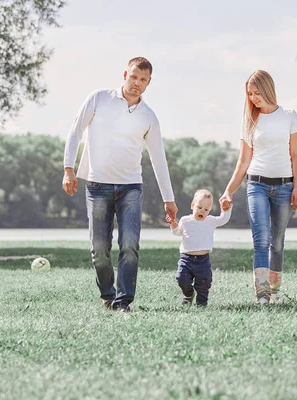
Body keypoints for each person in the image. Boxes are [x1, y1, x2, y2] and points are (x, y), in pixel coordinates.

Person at [62, 57, 178, 313]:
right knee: (99, 248)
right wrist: (68, 168)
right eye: (134, 77)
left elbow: (159, 159)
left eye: (143, 80)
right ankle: (108, 293)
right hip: (97, 185)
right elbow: (75, 131)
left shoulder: (149, 116)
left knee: (129, 244)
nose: (137, 83)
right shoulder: (99, 98)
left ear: (149, 83)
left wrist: (168, 199)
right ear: (125, 74)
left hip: (131, 188)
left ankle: (123, 301)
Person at [219, 70, 297, 305]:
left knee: (277, 242)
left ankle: (274, 290)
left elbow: (296, 155)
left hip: (285, 187)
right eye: (250, 94)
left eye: (257, 93)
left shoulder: (289, 115)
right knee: (261, 240)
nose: (253, 98)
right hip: (256, 185)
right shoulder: (249, 121)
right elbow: (243, 161)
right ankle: (263, 293)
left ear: (267, 89)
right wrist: (228, 191)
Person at [168, 189, 232, 307]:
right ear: (193, 205)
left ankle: (202, 303)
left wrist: (226, 209)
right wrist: (173, 225)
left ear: (209, 210)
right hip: (186, 258)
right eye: (199, 207)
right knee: (181, 278)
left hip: (203, 260)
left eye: (206, 209)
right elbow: (178, 232)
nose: (202, 211)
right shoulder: (185, 220)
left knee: (204, 282)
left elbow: (223, 219)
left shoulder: (211, 221)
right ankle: (188, 294)